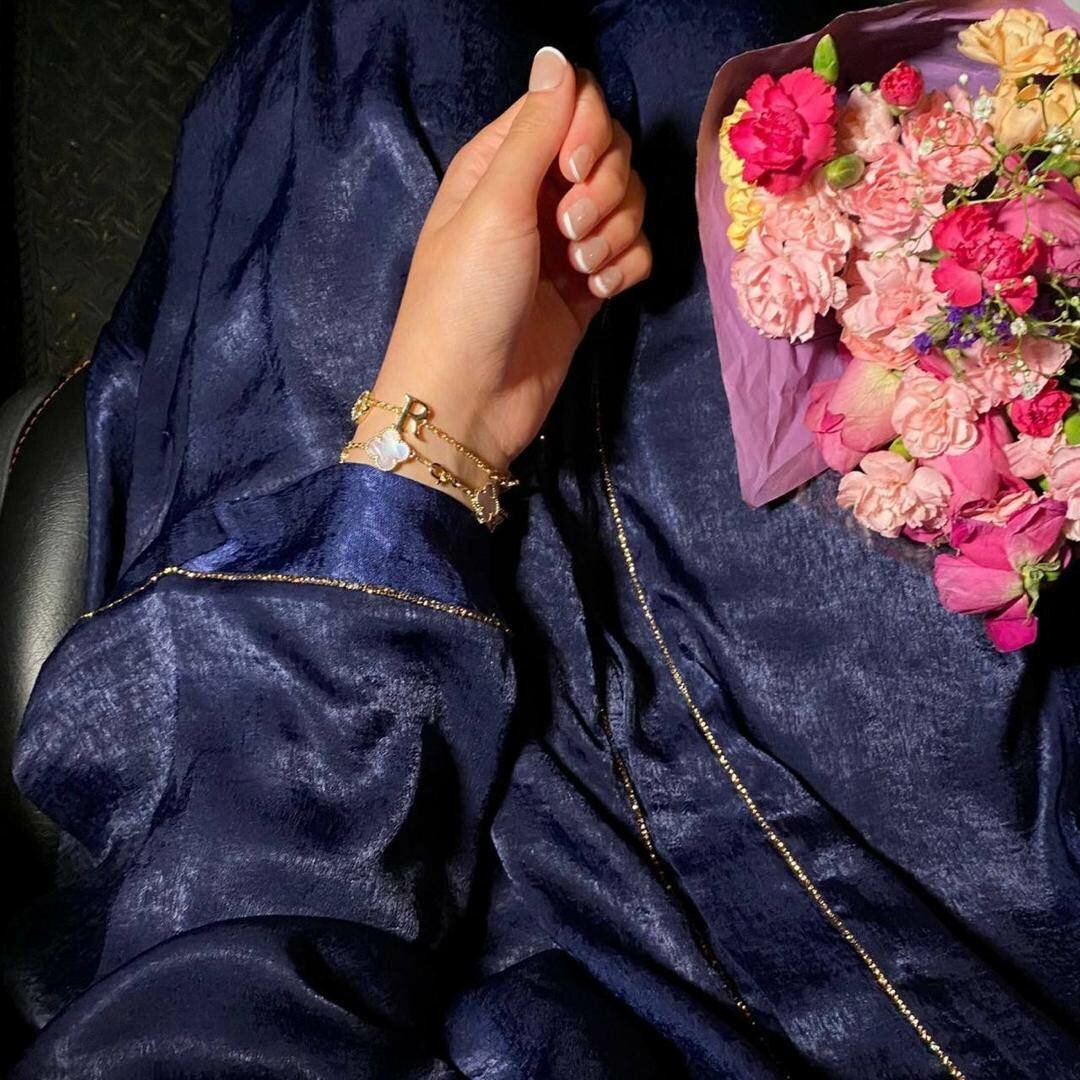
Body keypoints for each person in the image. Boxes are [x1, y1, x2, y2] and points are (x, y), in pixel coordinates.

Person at [7, 1, 1080, 1076]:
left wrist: (432, 440)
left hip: (361, 803)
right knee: (711, 82)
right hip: (961, 908)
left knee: (383, 61)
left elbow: (228, 983)